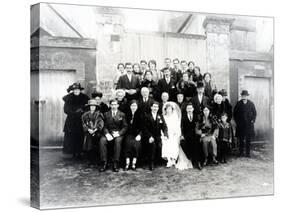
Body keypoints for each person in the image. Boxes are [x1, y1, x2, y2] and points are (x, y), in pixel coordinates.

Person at [162, 102, 193, 170]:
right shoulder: (163, 117)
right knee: (166, 142)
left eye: (170, 109)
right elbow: (162, 127)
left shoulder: (175, 117)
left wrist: (176, 133)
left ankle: (173, 159)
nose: (169, 110)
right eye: (167, 109)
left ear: (172, 109)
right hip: (166, 133)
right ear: (165, 109)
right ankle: (169, 160)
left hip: (174, 133)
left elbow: (177, 126)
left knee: (174, 142)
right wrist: (164, 134)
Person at [99, 99, 128, 172]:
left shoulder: (122, 114)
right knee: (102, 141)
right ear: (110, 105)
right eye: (112, 105)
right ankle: (104, 162)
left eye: (115, 104)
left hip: (118, 133)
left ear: (118, 105)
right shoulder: (106, 114)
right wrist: (107, 134)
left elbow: (125, 127)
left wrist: (118, 133)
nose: (114, 106)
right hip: (109, 133)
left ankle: (116, 162)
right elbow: (104, 126)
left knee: (118, 141)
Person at [62, 82, 90, 158]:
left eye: (77, 89)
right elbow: (66, 110)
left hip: (81, 119)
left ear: (80, 90)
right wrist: (74, 112)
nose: (76, 91)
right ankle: (73, 152)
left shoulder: (84, 98)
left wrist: (82, 112)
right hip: (71, 120)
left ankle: (79, 151)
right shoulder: (69, 98)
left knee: (80, 135)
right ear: (73, 90)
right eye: (74, 90)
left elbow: (87, 108)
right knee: (72, 136)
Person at [143, 101, 168, 171]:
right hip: (149, 136)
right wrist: (149, 136)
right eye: (154, 107)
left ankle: (159, 160)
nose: (155, 108)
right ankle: (151, 162)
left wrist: (165, 134)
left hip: (158, 136)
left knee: (160, 145)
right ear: (151, 107)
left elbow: (164, 126)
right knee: (152, 145)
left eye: (156, 107)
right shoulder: (147, 116)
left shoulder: (160, 116)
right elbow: (144, 128)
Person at [233, 90, 257, 157]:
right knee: (241, 139)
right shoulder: (238, 103)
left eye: (245, 96)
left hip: (249, 124)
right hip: (241, 124)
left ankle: (247, 153)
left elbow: (255, 113)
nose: (244, 97)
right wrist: (237, 121)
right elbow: (235, 113)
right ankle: (241, 152)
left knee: (248, 139)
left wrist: (253, 120)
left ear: (247, 96)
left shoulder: (251, 103)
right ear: (241, 96)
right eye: (243, 95)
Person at [81, 99, 104, 165]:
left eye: (94, 106)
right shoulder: (85, 115)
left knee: (96, 143)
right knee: (88, 142)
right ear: (89, 107)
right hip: (88, 132)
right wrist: (89, 129)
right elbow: (83, 124)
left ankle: (96, 159)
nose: (92, 107)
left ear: (96, 107)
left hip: (97, 131)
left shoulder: (99, 114)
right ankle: (90, 159)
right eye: (91, 106)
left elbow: (101, 123)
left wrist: (95, 129)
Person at [181, 102, 202, 170]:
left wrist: (199, 133)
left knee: (197, 144)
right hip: (187, 134)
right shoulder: (183, 117)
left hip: (195, 134)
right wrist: (182, 135)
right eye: (188, 108)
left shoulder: (196, 116)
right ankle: (191, 159)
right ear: (186, 109)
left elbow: (199, 126)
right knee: (186, 143)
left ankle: (198, 161)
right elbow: (181, 127)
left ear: (193, 109)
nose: (189, 110)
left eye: (190, 108)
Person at [124, 100, 143, 171]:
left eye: (135, 106)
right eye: (132, 106)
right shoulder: (127, 114)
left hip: (137, 134)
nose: (133, 107)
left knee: (136, 144)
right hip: (129, 134)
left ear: (137, 107)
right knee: (128, 144)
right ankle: (127, 162)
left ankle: (134, 163)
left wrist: (139, 135)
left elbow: (142, 127)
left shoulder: (141, 115)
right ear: (130, 107)